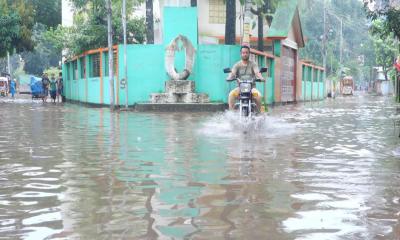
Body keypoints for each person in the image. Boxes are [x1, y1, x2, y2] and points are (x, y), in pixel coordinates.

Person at [226, 45, 265, 111]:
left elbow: (257, 72)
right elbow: (232, 73)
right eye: (243, 53)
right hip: (239, 89)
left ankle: (259, 113)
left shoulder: (253, 64)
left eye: (246, 52)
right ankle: (231, 113)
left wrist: (261, 77)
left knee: (259, 96)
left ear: (249, 53)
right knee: (231, 95)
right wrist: (229, 77)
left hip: (252, 89)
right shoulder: (237, 65)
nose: (245, 54)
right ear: (241, 54)